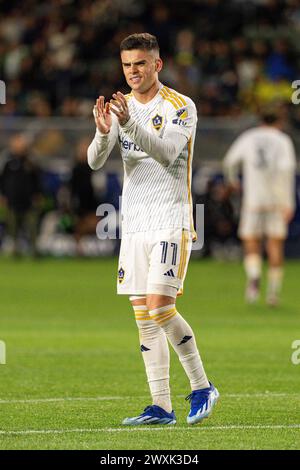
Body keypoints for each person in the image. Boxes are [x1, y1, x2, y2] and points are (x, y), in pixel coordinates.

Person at [87, 33, 219, 426]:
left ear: (157, 64)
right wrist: (103, 129)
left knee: (162, 307)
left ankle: (201, 386)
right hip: (135, 225)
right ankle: (161, 406)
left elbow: (165, 154)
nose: (133, 72)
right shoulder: (121, 107)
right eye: (127, 65)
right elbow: (95, 162)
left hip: (170, 219)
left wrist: (128, 124)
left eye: (140, 64)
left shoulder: (181, 106)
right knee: (144, 316)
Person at [223, 109, 296, 306]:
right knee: (275, 244)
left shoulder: (249, 137)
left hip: (253, 200)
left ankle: (254, 278)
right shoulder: (283, 140)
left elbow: (229, 162)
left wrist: (232, 181)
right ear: (279, 122)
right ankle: (273, 293)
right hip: (277, 201)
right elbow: (288, 171)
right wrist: (289, 202)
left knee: (251, 241)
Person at [0, 134, 41, 256]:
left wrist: (37, 194)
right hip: (12, 201)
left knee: (32, 226)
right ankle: (14, 250)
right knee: (13, 228)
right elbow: (2, 181)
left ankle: (34, 250)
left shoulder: (31, 162)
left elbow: (37, 180)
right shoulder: (8, 163)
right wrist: (3, 195)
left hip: (28, 201)